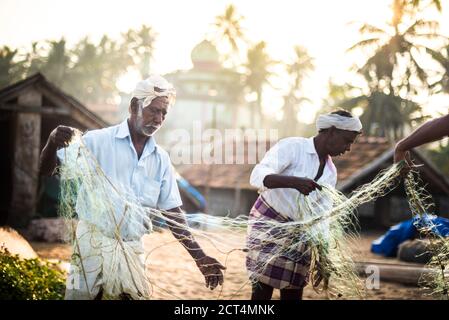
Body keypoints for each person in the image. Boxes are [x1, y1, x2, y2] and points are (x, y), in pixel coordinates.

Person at [39, 75, 225, 299]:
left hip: (131, 247)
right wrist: (51, 142)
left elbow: (173, 213)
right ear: (133, 106)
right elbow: (45, 170)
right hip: (90, 243)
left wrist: (200, 256)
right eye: (153, 110)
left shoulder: (161, 159)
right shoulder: (98, 141)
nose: (158, 119)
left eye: (163, 114)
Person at [246, 110, 362, 300]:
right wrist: (294, 182)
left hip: (300, 234)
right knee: (262, 289)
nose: (348, 148)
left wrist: (323, 255)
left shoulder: (330, 173)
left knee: (293, 289)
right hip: (269, 224)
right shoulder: (293, 146)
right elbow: (257, 176)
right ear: (332, 131)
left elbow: (321, 216)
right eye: (347, 141)